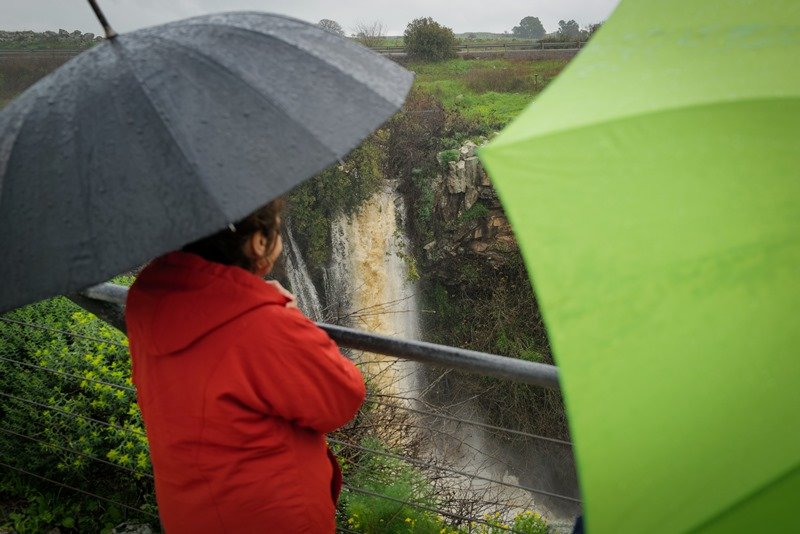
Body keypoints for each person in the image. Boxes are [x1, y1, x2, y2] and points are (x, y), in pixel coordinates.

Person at [125, 199, 366, 533]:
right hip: (272, 517)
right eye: (278, 225)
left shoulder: (146, 301)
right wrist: (288, 316)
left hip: (191, 511)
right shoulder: (260, 325)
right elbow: (343, 397)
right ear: (258, 242)